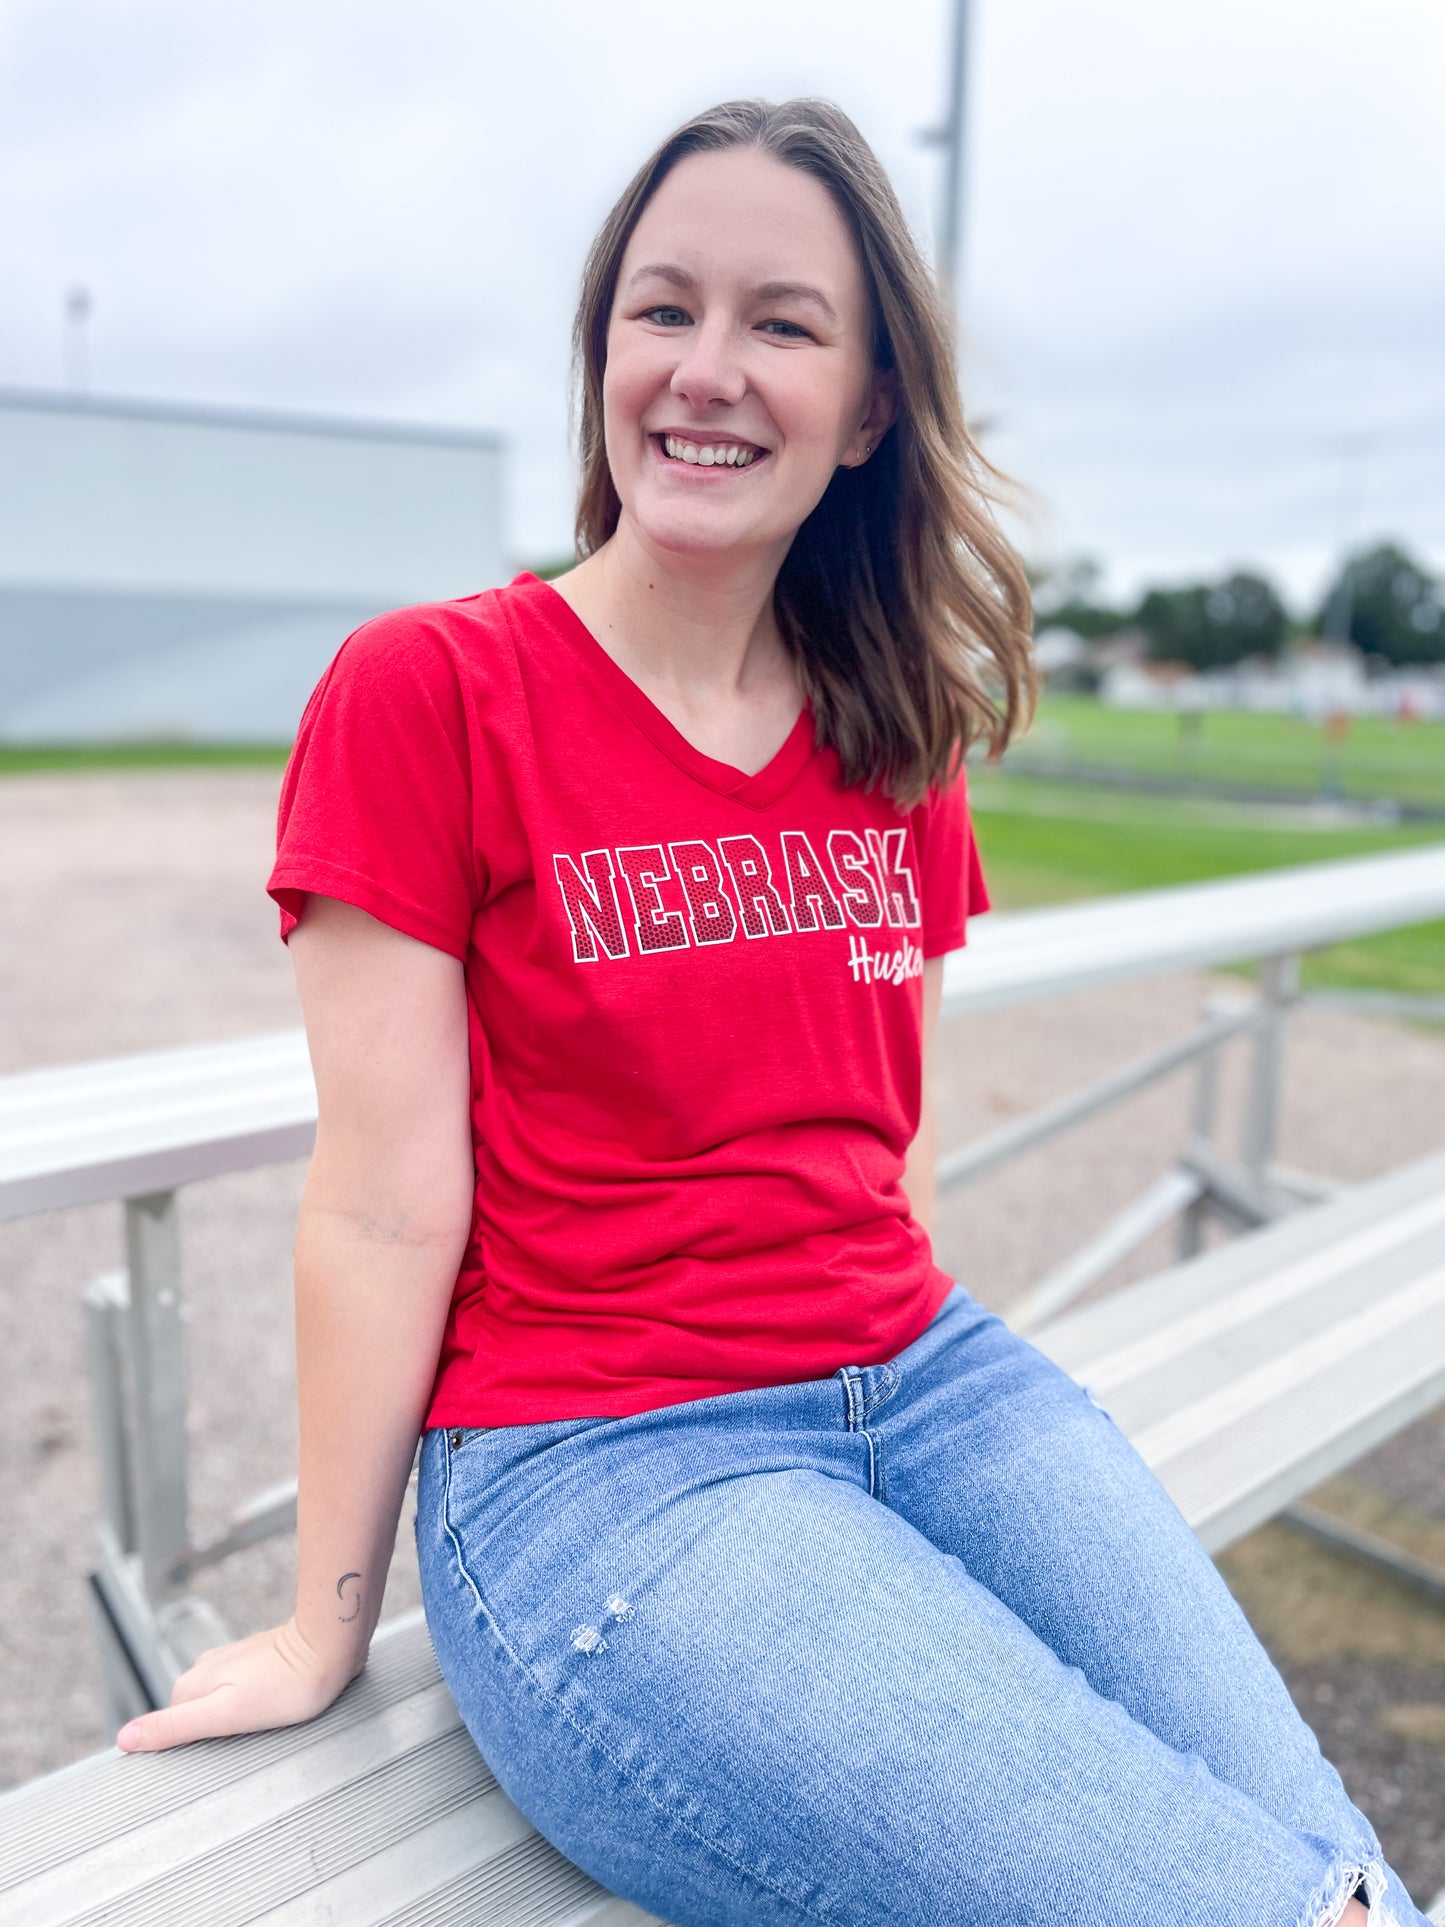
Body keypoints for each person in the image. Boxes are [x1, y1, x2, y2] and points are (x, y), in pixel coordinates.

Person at [114, 96, 1422, 1927]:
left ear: (870, 403)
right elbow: (383, 1203)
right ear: (599, 355)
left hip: (934, 1390)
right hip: (607, 1467)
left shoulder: (901, 717)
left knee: (1335, 1872)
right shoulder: (431, 694)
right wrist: (324, 1627)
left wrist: (907, 1516)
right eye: (660, 311)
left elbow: (889, 1135)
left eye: (780, 323)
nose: (704, 370)